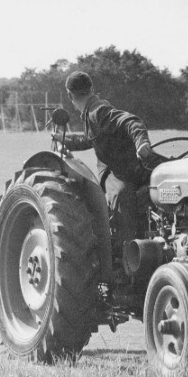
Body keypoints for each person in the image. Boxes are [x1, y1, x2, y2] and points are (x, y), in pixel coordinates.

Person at [56, 71, 164, 248]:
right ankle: (127, 252)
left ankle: (134, 246)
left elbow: (131, 121)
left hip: (126, 168)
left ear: (70, 95)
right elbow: (91, 138)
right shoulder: (92, 111)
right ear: (91, 88)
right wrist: (66, 140)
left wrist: (141, 142)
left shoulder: (97, 111)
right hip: (122, 170)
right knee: (122, 194)